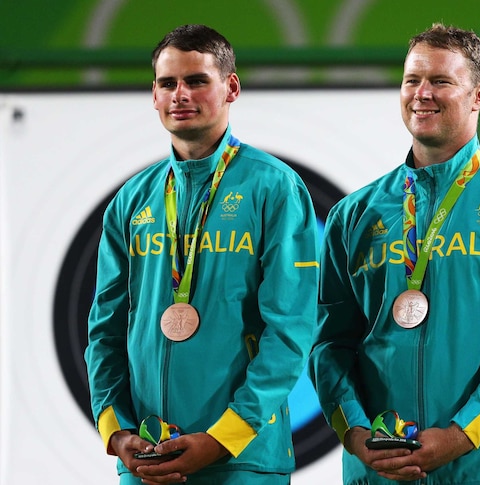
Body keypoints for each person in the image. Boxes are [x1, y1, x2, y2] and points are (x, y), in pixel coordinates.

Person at [309, 23, 480, 484]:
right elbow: (329, 341)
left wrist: (462, 434)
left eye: (440, 82)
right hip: (381, 470)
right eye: (412, 80)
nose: (421, 94)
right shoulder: (354, 214)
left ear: (479, 95)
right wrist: (355, 434)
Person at [84, 24, 319, 484]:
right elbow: (105, 327)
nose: (180, 95)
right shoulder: (133, 200)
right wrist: (117, 431)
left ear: (231, 88)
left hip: (242, 458)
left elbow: (291, 329)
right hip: (147, 455)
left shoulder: (274, 188)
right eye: (167, 83)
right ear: (153, 95)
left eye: (196, 81)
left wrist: (224, 437)